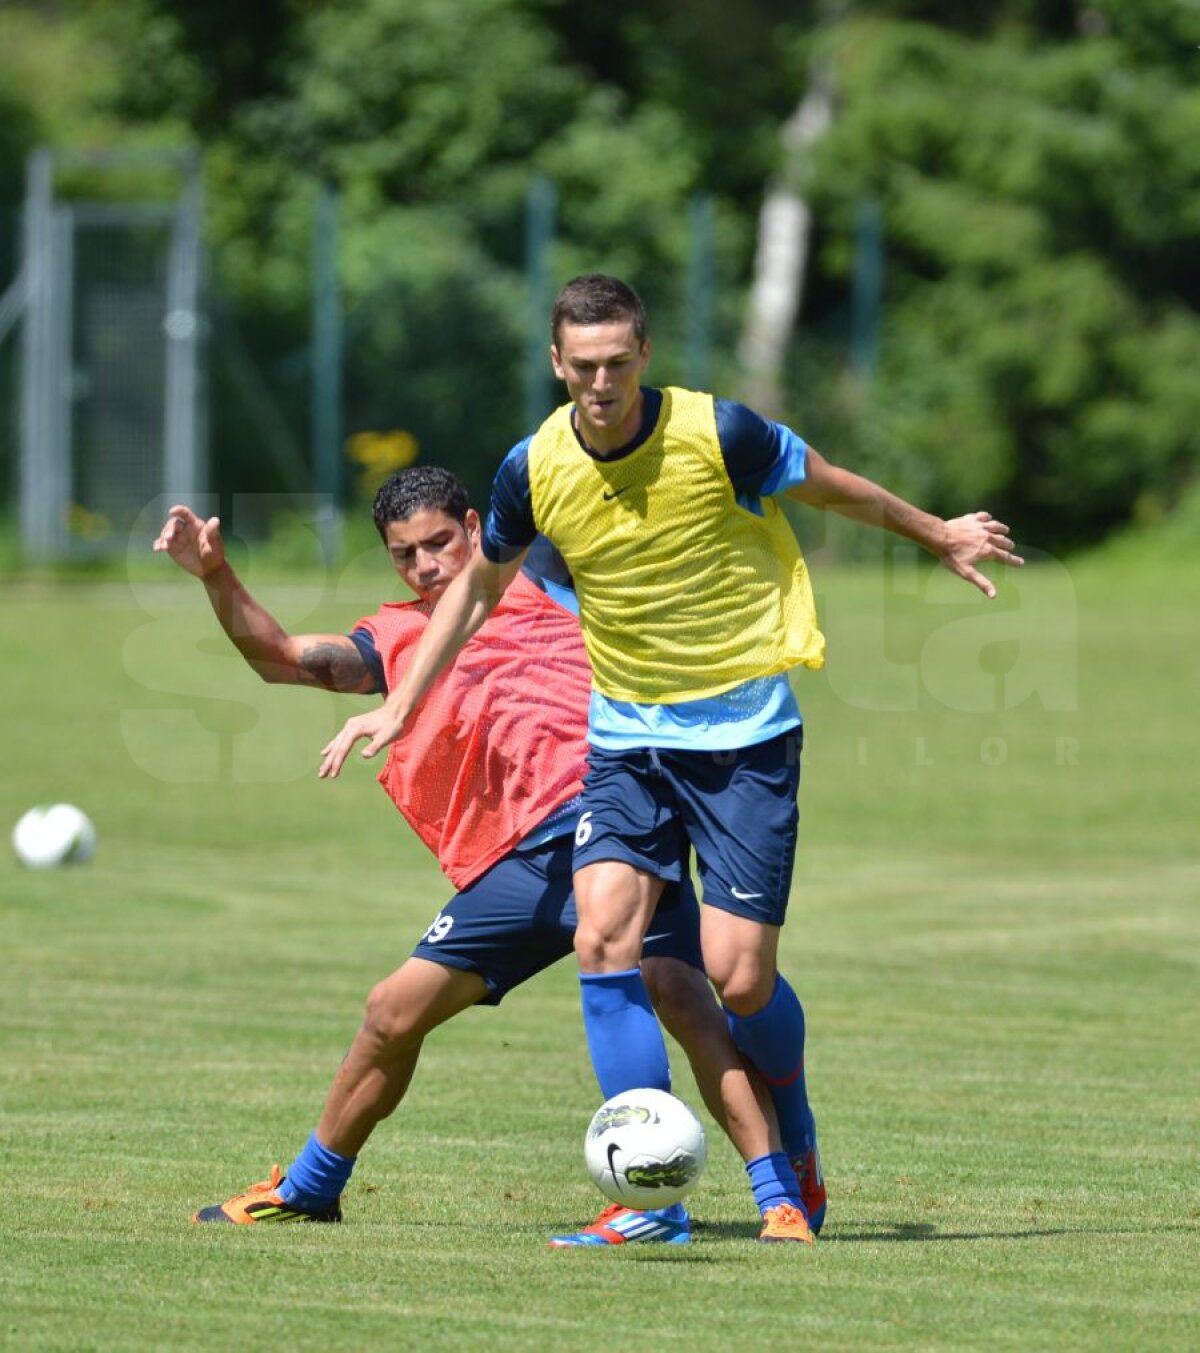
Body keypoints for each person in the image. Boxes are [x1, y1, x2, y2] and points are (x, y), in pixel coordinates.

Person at [319, 274, 1025, 1245]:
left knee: (738, 982)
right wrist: (395, 706)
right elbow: (474, 596)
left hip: (744, 741)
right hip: (627, 744)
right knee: (603, 941)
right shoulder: (532, 468)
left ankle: (798, 1136)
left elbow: (829, 484)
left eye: (617, 363)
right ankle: (650, 1200)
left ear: (643, 355)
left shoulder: (719, 433)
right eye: (584, 367)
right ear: (557, 364)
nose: (601, 383)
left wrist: (938, 531)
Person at [154, 465, 813, 1246]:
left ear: (473, 527)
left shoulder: (533, 572)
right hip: (519, 865)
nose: (427, 565)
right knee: (390, 1013)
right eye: (406, 554)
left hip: (611, 814)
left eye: (439, 543)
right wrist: (215, 572)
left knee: (680, 992)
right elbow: (283, 656)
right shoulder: (396, 637)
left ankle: (775, 1199)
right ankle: (308, 1187)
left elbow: (607, 500)